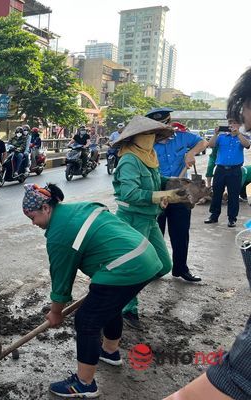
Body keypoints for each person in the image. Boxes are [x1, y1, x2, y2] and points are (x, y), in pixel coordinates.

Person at [22, 183, 163, 398]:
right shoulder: (76, 209)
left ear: (46, 208)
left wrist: (56, 312)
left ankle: (84, 384)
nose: (33, 224)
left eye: (33, 217)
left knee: (87, 320)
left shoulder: (59, 234)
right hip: (146, 258)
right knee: (109, 306)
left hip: (126, 266)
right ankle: (109, 352)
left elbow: (61, 281)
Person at [164, 66, 251, 400]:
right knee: (156, 239)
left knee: (181, 232)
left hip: (178, 187)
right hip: (161, 190)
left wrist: (189, 156)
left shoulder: (188, 138)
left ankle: (180, 266)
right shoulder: (142, 153)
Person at [112, 116, 188, 330]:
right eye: (148, 134)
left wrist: (176, 184)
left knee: (163, 265)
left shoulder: (150, 155)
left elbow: (157, 180)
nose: (152, 138)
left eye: (154, 134)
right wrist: (162, 195)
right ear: (136, 137)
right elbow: (129, 193)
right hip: (132, 219)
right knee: (135, 267)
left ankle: (121, 290)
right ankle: (127, 306)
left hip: (150, 218)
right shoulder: (129, 159)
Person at [149, 113, 207, 283]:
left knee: (181, 232)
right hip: (157, 189)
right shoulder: (148, 143)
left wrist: (192, 153)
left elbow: (203, 142)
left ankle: (181, 268)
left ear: (168, 124)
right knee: (155, 231)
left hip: (181, 190)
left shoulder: (182, 137)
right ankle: (155, 268)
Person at [205, 119, 251, 227]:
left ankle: (232, 219)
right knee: (217, 193)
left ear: (239, 125)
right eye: (230, 123)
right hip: (220, 169)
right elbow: (210, 145)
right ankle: (214, 216)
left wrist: (238, 134)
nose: (232, 125)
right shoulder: (221, 137)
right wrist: (215, 134)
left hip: (235, 170)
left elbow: (247, 145)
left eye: (234, 123)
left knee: (233, 195)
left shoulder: (242, 137)